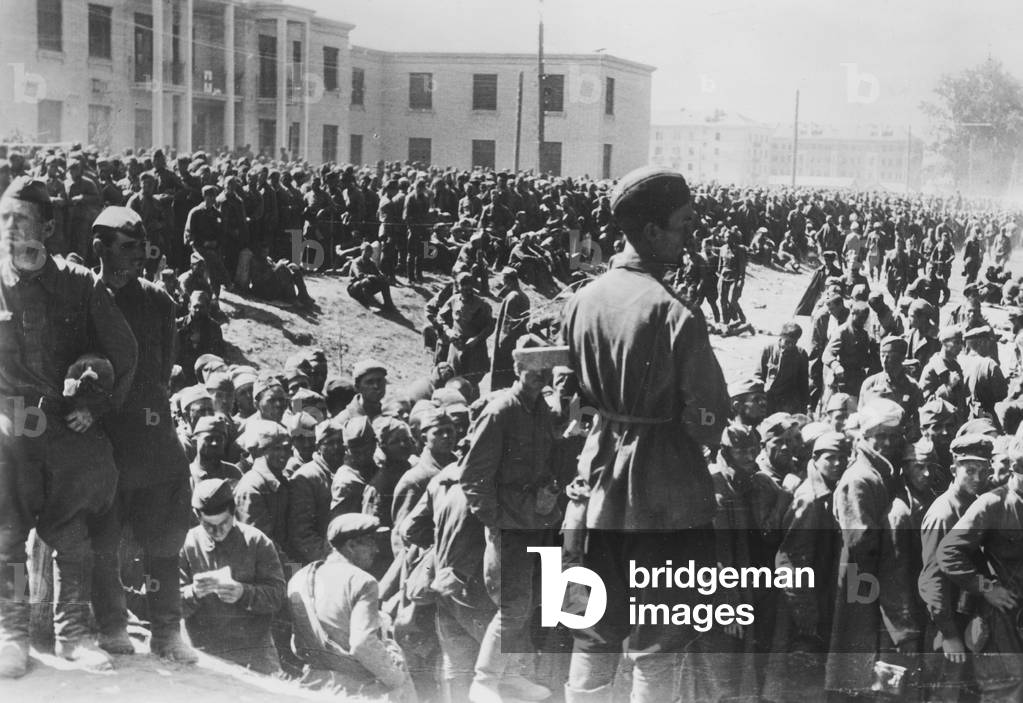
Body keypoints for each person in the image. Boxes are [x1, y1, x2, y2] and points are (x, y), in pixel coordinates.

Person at [560, 167, 729, 703]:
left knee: (591, 632)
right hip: (664, 498)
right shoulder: (676, 313)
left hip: (594, 491)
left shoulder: (582, 300)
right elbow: (710, 419)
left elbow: (571, 398)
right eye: (682, 225)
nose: (689, 237)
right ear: (653, 232)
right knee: (660, 637)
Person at [0, 178, 138, 676]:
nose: (12, 230)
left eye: (23, 220)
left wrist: (97, 407)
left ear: (49, 227)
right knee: (7, 538)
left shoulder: (79, 284)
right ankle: (12, 634)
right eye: (5, 219)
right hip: (10, 424)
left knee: (72, 535)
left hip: (62, 422)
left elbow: (124, 353)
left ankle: (73, 636)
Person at [87, 207, 199, 663]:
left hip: (151, 444)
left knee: (164, 539)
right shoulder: (81, 297)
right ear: (101, 248)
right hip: (101, 439)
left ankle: (167, 630)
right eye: (129, 246)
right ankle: (112, 624)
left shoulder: (160, 302)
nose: (141, 255)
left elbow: (160, 375)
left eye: (142, 245)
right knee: (103, 539)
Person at [460, 339, 566, 703]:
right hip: (511, 522)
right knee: (513, 605)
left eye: (545, 372)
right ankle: (485, 680)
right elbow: (473, 476)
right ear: (519, 370)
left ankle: (514, 674)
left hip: (539, 516)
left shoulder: (540, 410)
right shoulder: (500, 411)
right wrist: (495, 522)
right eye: (534, 372)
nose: (540, 378)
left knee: (533, 601)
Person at [288, 514, 415, 700]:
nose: (377, 550)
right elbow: (362, 644)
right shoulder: (363, 582)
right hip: (356, 688)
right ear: (351, 546)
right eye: (371, 542)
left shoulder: (301, 577)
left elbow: (296, 644)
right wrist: (397, 679)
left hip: (313, 682)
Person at [938, 445, 1023, 701]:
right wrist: (986, 588)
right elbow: (948, 553)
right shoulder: (993, 504)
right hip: (1003, 620)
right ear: (1016, 469)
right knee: (1007, 690)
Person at [179, 478, 286, 675]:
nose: (217, 531)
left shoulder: (256, 542)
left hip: (253, 653)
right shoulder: (186, 545)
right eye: (208, 525)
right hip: (203, 652)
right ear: (197, 516)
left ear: (234, 511)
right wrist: (192, 593)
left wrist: (244, 593)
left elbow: (278, 596)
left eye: (224, 523)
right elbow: (166, 603)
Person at [918, 434, 993, 702]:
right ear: (953, 470)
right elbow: (931, 580)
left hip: (968, 620)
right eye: (969, 470)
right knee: (945, 694)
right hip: (947, 625)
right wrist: (949, 634)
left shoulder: (974, 505)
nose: (977, 477)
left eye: (983, 471)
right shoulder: (944, 513)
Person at [490, 267, 531, 391]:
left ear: (508, 280)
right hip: (518, 341)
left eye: (503, 280)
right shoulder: (524, 296)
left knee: (502, 377)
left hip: (507, 345)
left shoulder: (513, 297)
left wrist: (501, 346)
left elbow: (508, 325)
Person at [755, 321, 809, 414]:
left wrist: (805, 406)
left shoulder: (801, 354)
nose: (790, 345)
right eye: (787, 342)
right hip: (769, 397)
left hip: (788, 401)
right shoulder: (768, 350)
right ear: (781, 337)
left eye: (794, 342)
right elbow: (758, 376)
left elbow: (803, 382)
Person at [348, 242, 397, 312]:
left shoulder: (371, 262)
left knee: (384, 282)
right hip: (354, 288)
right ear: (362, 251)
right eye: (367, 251)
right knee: (366, 281)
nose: (369, 253)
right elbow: (359, 275)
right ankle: (371, 305)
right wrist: (371, 276)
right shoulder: (356, 262)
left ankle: (388, 304)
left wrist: (382, 276)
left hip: (364, 287)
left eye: (370, 252)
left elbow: (377, 273)